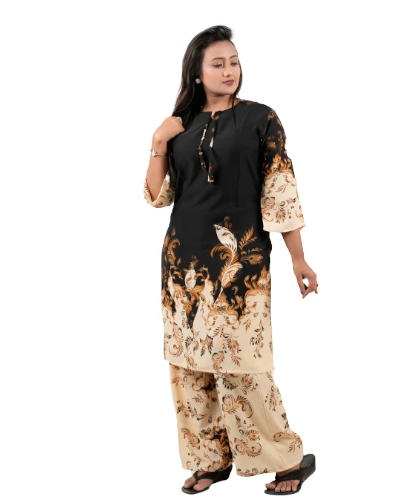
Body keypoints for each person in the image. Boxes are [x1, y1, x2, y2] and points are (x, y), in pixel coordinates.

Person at [143, 25, 318, 495]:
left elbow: (280, 190)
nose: (228, 71)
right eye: (217, 64)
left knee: (244, 363)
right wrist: (159, 140)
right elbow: (158, 196)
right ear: (196, 73)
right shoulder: (179, 125)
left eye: (234, 62)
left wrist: (298, 258)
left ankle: (287, 459)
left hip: (241, 264)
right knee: (189, 365)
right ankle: (210, 459)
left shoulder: (261, 118)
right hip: (181, 265)